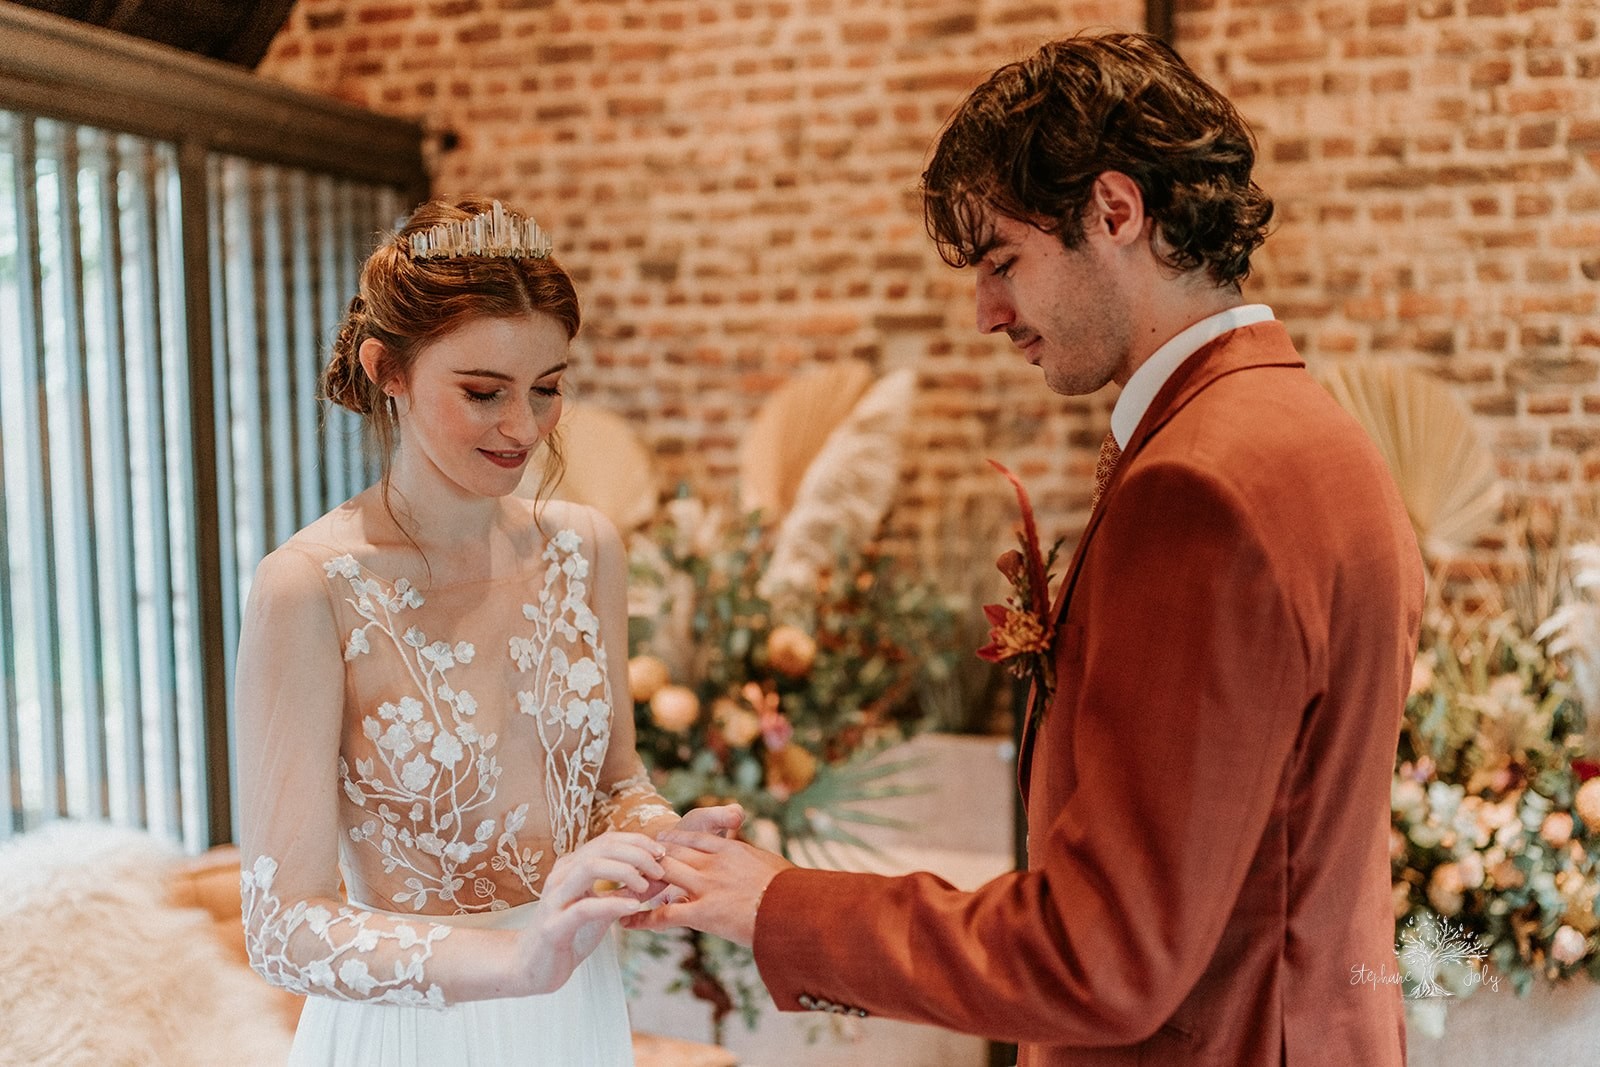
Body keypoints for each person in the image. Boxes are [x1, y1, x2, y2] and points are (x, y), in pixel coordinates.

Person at [627, 32, 1423, 1066]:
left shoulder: (1198, 485)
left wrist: (776, 901)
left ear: (1115, 210)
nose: (985, 313)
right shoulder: (1323, 438)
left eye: (1003, 260)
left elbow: (1101, 956)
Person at [234, 197, 740, 1066]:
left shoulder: (587, 550)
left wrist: (662, 838)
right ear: (387, 369)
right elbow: (282, 928)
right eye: (482, 392)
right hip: (410, 1033)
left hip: (575, 1012)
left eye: (546, 388)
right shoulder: (310, 585)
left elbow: (615, 780)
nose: (523, 427)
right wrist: (518, 957)